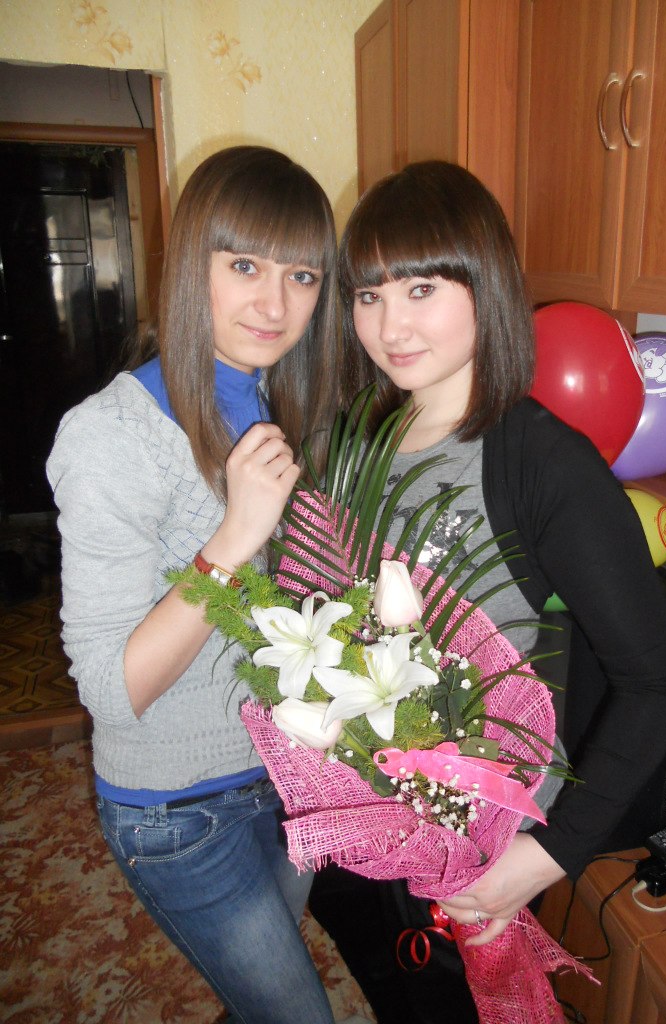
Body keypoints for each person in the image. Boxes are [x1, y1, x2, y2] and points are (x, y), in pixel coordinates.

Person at [308, 160, 666, 1024]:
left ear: (485, 285)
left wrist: (547, 856)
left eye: (421, 288)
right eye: (368, 294)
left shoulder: (542, 463)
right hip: (364, 810)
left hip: (474, 840)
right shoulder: (361, 436)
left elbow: (656, 681)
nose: (390, 325)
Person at [46, 146, 340, 1024]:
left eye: (301, 276)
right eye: (244, 266)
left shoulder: (278, 399)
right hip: (180, 812)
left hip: (289, 776)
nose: (275, 305)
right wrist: (234, 540)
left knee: (265, 999)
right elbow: (112, 690)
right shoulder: (110, 437)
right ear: (191, 266)